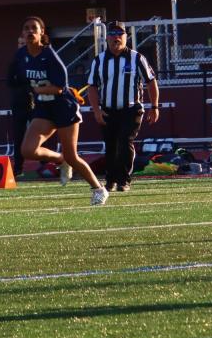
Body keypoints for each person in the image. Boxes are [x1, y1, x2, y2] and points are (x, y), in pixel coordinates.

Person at [15, 16, 109, 205]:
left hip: (63, 106)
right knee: (27, 150)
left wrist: (37, 89)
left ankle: (99, 189)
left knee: (73, 156)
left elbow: (59, 87)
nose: (30, 31)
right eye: (26, 28)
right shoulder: (21, 55)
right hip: (44, 107)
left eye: (34, 28)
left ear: (42, 33)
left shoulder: (49, 55)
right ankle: (60, 159)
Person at [85, 21, 159, 192]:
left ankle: (124, 180)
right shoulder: (99, 60)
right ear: (107, 38)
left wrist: (154, 107)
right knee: (110, 145)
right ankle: (110, 180)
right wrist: (96, 110)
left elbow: (151, 81)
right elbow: (92, 87)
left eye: (120, 34)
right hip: (108, 110)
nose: (116, 38)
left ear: (126, 37)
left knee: (125, 142)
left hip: (131, 109)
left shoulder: (137, 58)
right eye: (112, 34)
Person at [6, 35, 35, 176]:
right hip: (19, 103)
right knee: (19, 136)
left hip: (35, 102)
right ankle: (18, 167)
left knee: (40, 134)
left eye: (24, 43)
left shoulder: (37, 59)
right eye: (20, 43)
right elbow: (9, 81)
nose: (23, 45)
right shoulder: (15, 61)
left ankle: (47, 164)